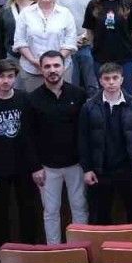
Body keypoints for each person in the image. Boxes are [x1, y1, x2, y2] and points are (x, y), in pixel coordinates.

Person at [0, 59, 40, 256]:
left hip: (23, 165)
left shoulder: (24, 99)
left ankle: (29, 252)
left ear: (15, 78)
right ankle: (3, 253)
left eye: (10, 76)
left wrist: (35, 166)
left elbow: (31, 135)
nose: (5, 80)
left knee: (28, 210)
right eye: (1, 76)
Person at [25, 51, 88, 244]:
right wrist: (35, 167)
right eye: (47, 66)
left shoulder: (79, 94)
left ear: (64, 67)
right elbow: (28, 136)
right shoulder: (32, 99)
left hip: (76, 164)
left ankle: (79, 250)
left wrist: (87, 164)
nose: (52, 70)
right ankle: (54, 252)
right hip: (47, 167)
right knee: (51, 211)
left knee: (80, 207)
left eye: (56, 65)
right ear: (41, 69)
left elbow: (85, 132)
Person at [79, 64, 132, 224]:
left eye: (115, 78)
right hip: (101, 170)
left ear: (122, 79)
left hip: (129, 168)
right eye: (107, 78)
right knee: (101, 215)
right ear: (100, 81)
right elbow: (83, 140)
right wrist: (87, 169)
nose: (111, 82)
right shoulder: (89, 107)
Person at [12, 0, 77, 92]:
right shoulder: (25, 13)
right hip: (32, 69)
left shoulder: (65, 13)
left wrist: (55, 63)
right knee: (34, 102)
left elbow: (70, 41)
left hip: (61, 70)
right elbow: (20, 41)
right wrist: (34, 61)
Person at [55, 0, 98, 91]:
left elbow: (97, 18)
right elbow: (55, 19)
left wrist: (85, 36)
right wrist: (71, 40)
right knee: (71, 86)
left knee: (92, 85)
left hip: (88, 44)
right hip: (65, 45)